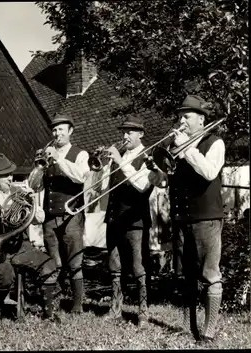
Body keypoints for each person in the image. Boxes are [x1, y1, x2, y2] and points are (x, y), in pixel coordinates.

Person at [147, 95, 225, 341]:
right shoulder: (177, 148)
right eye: (180, 116)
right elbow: (163, 183)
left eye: (186, 116)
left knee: (210, 275)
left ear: (201, 120)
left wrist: (187, 148)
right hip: (182, 219)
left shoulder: (215, 143)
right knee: (185, 275)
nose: (181, 120)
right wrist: (155, 171)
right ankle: (187, 327)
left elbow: (209, 171)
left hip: (206, 218)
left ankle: (209, 332)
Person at [0, 153, 60, 322]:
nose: (9, 178)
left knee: (48, 265)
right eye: (4, 176)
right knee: (5, 276)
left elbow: (39, 219)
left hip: (21, 246)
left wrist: (33, 201)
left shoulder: (20, 192)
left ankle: (49, 313)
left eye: (10, 174)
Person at [102, 115, 154, 327]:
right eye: (123, 131)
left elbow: (142, 185)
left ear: (140, 134)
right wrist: (103, 167)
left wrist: (120, 161)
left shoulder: (148, 156)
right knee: (115, 266)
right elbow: (105, 188)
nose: (125, 136)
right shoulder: (119, 155)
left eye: (129, 132)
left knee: (138, 267)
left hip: (135, 221)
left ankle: (143, 312)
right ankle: (116, 309)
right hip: (115, 218)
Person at [40, 113, 90, 314]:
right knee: (54, 261)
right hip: (50, 215)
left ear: (70, 131)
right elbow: (38, 185)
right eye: (54, 129)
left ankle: (77, 305)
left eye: (61, 129)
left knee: (74, 260)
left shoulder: (80, 154)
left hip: (72, 214)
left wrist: (59, 158)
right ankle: (55, 301)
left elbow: (80, 177)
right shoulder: (47, 153)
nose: (57, 133)